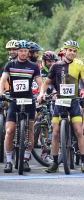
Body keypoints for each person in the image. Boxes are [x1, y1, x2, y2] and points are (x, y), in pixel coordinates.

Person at [37, 40, 84, 173]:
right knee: (55, 133)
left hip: (73, 101)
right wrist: (42, 93)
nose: (72, 53)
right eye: (70, 50)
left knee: (79, 131)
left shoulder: (79, 65)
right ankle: (55, 163)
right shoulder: (56, 66)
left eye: (74, 51)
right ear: (64, 51)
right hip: (60, 101)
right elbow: (46, 83)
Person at [0, 40, 42, 173]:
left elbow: (40, 83)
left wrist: (41, 95)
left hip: (28, 100)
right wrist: (1, 92)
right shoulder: (10, 64)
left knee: (29, 130)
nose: (23, 53)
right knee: (9, 131)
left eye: (25, 51)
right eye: (21, 51)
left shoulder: (34, 66)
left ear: (28, 52)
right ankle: (9, 161)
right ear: (17, 51)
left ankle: (25, 159)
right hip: (14, 100)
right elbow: (3, 80)